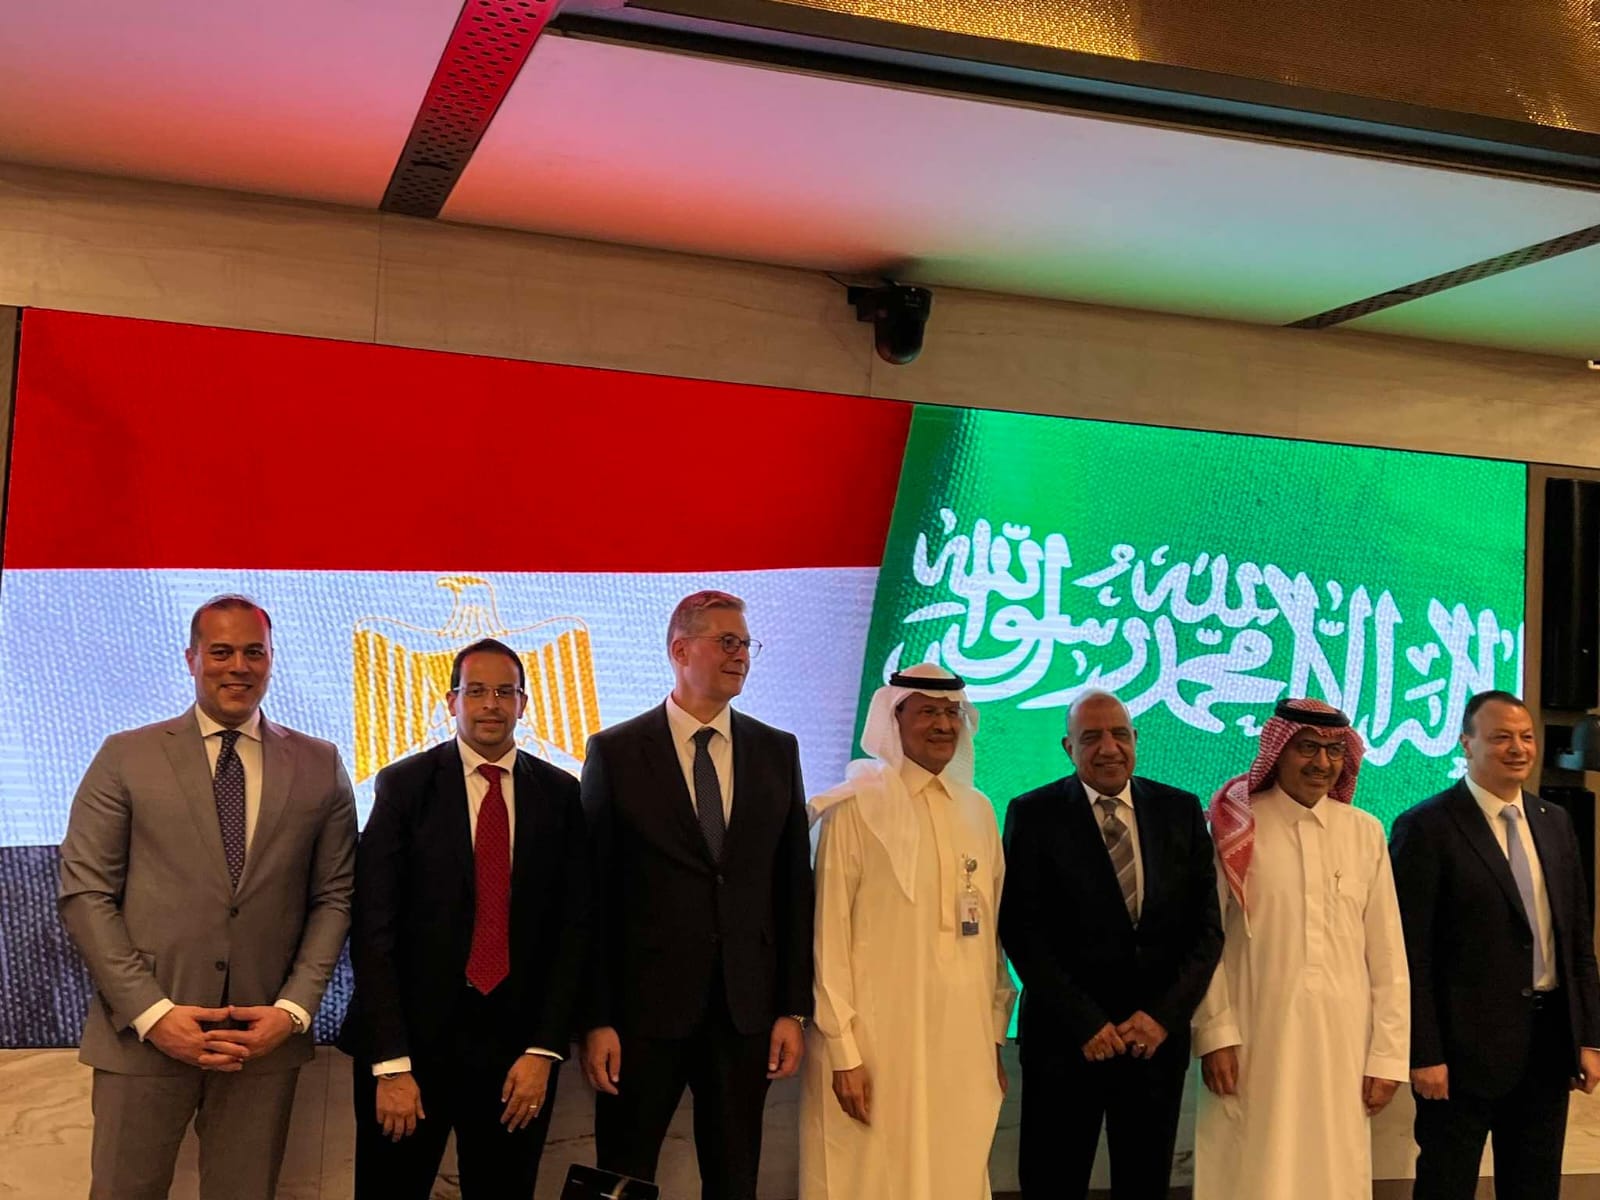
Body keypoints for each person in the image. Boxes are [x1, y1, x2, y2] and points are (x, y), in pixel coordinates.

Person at [58, 594, 357, 1200]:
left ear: (271, 659)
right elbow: (86, 893)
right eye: (220, 652)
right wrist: (152, 1014)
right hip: (142, 1037)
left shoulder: (320, 763)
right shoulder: (125, 756)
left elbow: (335, 897)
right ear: (191, 658)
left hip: (262, 1041)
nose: (238, 667)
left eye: (254, 652)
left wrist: (292, 1011)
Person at [580, 590, 813, 1200]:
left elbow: (793, 886)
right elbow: (593, 899)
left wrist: (792, 1009)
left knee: (735, 1179)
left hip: (745, 1014)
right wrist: (596, 1018)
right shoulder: (616, 752)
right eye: (727, 642)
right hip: (642, 1016)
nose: (741, 655)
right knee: (623, 1176)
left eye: (747, 644)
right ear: (680, 651)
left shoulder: (777, 750)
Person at [337, 637, 590, 1198]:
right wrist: (390, 1064)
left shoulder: (559, 794)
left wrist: (544, 1049)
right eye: (476, 691)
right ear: (452, 701)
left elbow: (573, 930)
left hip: (516, 1061)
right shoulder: (404, 786)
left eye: (505, 692)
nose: (491, 705)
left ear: (523, 703)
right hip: (410, 1056)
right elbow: (373, 930)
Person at [800, 663, 1016, 1200]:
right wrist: (844, 1052)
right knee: (871, 1178)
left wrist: (992, 1037)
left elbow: (990, 940)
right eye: (927, 712)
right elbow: (828, 938)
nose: (943, 724)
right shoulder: (854, 807)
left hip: (961, 1046)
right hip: (876, 1047)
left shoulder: (979, 810)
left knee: (953, 1173)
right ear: (894, 718)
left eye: (952, 712)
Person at [1000, 690, 1222, 1200]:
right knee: (1052, 1183)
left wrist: (1162, 1017)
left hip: (1153, 1045)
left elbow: (1206, 931)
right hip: (1066, 1042)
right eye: (1091, 737)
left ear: (1135, 740)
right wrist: (1086, 1022)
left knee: (1144, 1184)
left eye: (1120, 734)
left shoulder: (1180, 810)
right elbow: (1022, 931)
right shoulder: (1033, 814)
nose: (1108, 748)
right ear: (1068, 747)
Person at [1191, 697, 1408, 1200]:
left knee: (1332, 1170)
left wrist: (1388, 1056)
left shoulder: (1364, 833)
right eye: (1307, 748)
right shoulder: (1235, 827)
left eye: (1334, 751)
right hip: (1253, 1041)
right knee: (1253, 1170)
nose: (1322, 763)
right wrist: (1216, 1033)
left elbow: (1388, 956)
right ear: (1279, 750)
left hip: (1343, 1048)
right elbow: (1206, 942)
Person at [1390, 689, 1600, 1200]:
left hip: (1548, 1046)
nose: (1518, 748)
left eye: (1527, 736)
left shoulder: (1555, 822)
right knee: (1446, 1184)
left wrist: (1589, 1038)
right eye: (1501, 737)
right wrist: (1424, 1053)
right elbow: (1410, 954)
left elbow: (1577, 941)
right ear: (1466, 743)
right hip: (1459, 1055)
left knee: (1535, 1185)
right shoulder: (1426, 827)